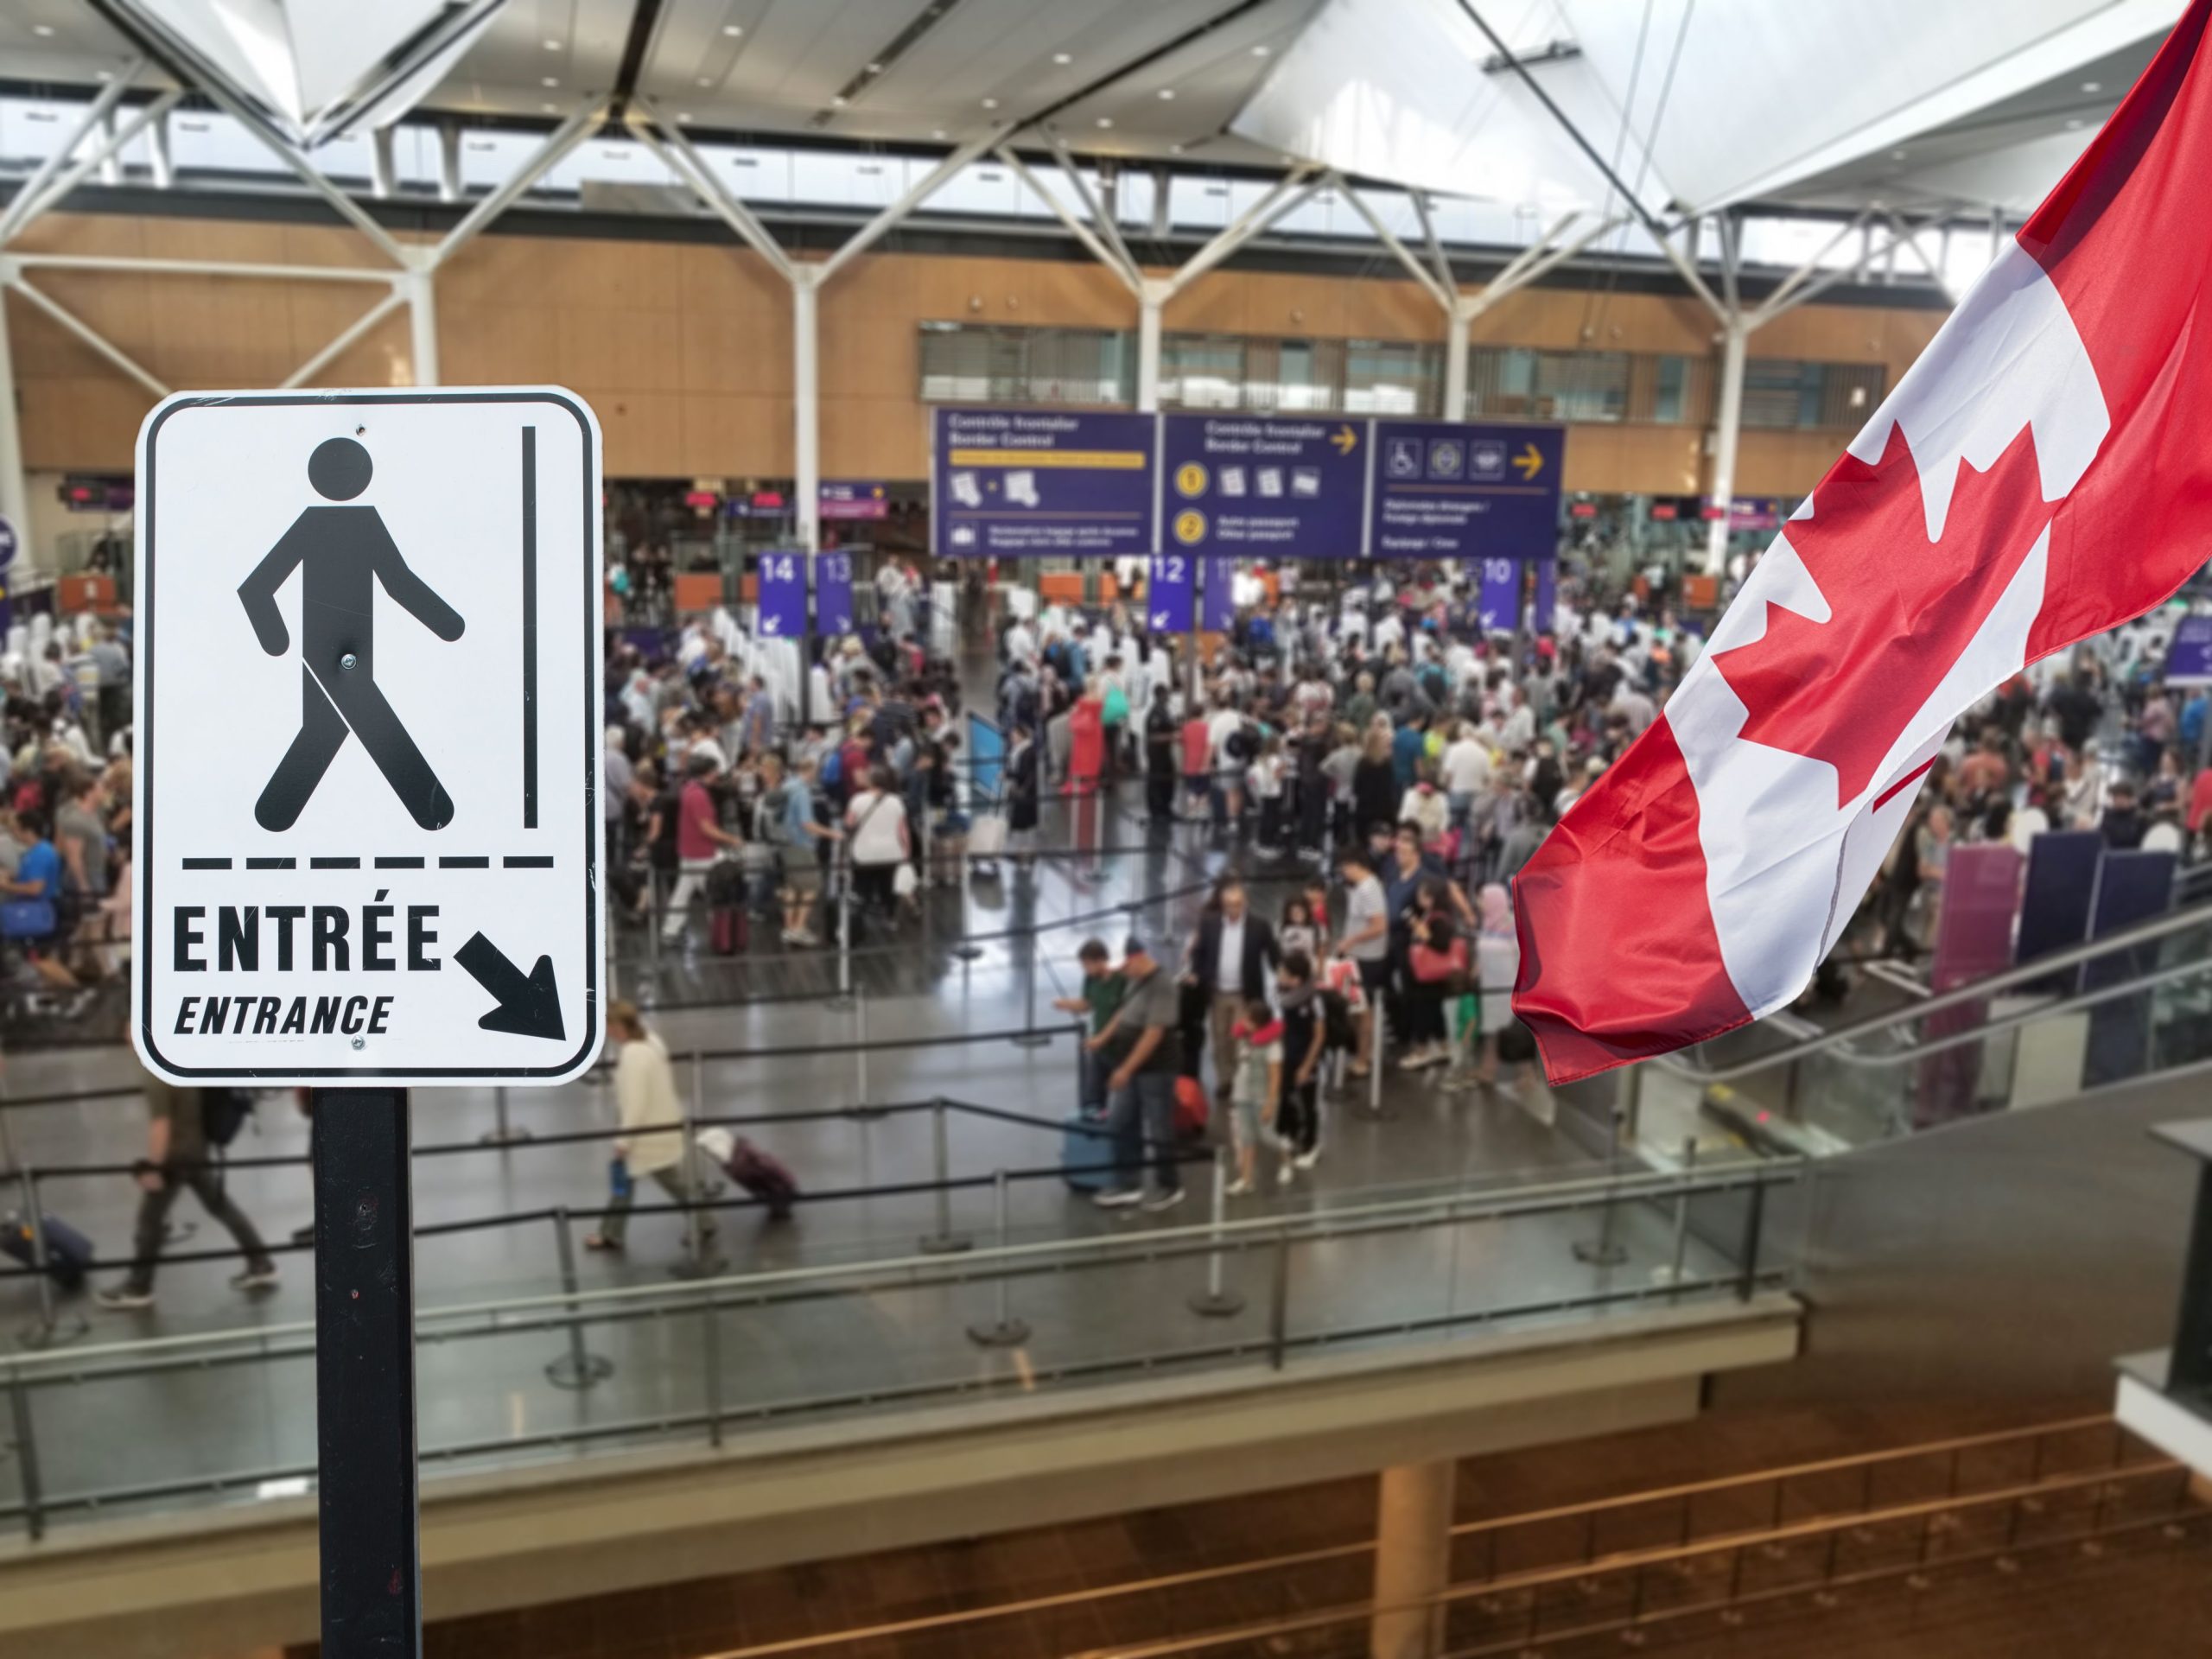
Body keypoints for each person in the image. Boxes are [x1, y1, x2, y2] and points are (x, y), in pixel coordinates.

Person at [95, 1066, 277, 1311]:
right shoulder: (179, 1065)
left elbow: (161, 1124)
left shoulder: (157, 1073)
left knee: (150, 1220)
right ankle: (261, 1262)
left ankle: (139, 1287)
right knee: (222, 1207)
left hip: (175, 1157)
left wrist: (154, 1167)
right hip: (196, 1150)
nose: (126, 1036)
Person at [587, 1002, 717, 1255]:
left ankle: (703, 1222)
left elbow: (636, 1104)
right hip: (663, 1126)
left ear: (616, 1027)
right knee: (631, 1182)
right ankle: (611, 1232)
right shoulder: (652, 1041)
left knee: (658, 1182)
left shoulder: (633, 1055)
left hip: (646, 1135)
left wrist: (624, 1140)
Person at [1091, 936, 1185, 1213]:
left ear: (1137, 958)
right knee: (1121, 1121)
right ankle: (1127, 1181)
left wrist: (1125, 1070)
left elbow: (1153, 1035)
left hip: (1156, 1069)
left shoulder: (1163, 986)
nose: (1122, 972)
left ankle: (1169, 1184)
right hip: (1130, 1065)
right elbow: (1124, 1010)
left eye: (1125, 967)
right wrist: (1102, 1037)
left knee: (1159, 1126)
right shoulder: (1133, 978)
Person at [1185, 878, 1279, 1107]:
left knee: (1239, 1038)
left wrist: (1285, 976)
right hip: (1217, 991)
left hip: (1243, 993)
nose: (1233, 910)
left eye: (1237, 904)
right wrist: (1197, 973)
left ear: (1245, 903)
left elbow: (1274, 955)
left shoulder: (1259, 926)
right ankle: (1224, 1079)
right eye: (1228, 905)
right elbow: (1199, 952)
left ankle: (1240, 1081)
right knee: (1219, 1038)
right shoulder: (1210, 923)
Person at [661, 753, 742, 943]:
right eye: (714, 771)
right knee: (717, 890)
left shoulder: (688, 789)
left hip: (688, 850)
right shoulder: (699, 796)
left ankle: (670, 930)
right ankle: (721, 932)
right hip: (702, 852)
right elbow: (707, 828)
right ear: (707, 772)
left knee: (682, 891)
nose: (717, 775)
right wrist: (732, 839)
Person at [1333, 846, 1391, 1077]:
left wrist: (1351, 941)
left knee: (1363, 1011)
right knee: (1358, 1010)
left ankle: (1364, 1059)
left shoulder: (1368, 889)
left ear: (1352, 865)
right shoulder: (1365, 887)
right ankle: (1363, 1053)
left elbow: (1379, 925)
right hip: (1361, 956)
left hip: (1368, 959)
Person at [1052, 938, 1125, 1119]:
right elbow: (1086, 1004)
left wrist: (1102, 1038)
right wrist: (1066, 1004)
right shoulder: (1090, 980)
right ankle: (1096, 1121)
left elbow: (1123, 1014)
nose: (1085, 969)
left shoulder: (1121, 980)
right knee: (1092, 1095)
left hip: (1121, 1047)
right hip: (1099, 1046)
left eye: (1087, 964)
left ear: (1101, 960)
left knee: (1125, 1097)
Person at [1274, 950, 1328, 1174]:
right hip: (1287, 1055)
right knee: (1285, 1096)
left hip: (1305, 1058)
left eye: (1283, 972)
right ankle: (1290, 1132)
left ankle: (1311, 1145)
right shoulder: (1284, 995)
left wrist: (1307, 1066)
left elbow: (1319, 1035)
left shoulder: (1313, 1000)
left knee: (1308, 1104)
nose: (1279, 975)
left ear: (1296, 978)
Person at [1224, 995, 1283, 1196]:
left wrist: (1270, 1103)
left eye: (1247, 1018)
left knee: (1268, 1136)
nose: (1242, 1021)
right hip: (1242, 1095)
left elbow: (1275, 1076)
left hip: (1261, 1096)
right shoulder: (1244, 1039)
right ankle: (1246, 1179)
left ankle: (1286, 1157)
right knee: (1246, 1137)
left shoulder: (1272, 1046)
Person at [844, 764, 912, 919]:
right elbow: (903, 830)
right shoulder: (896, 801)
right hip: (891, 851)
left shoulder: (857, 800)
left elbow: (849, 824)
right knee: (888, 886)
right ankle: (890, 916)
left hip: (864, 852)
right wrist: (906, 852)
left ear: (870, 781)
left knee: (863, 886)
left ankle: (862, 917)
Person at [1144, 684, 1179, 823]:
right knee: (1157, 781)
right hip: (1156, 754)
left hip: (1165, 751)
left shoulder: (1165, 711)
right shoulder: (1155, 713)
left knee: (1168, 781)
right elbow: (1153, 736)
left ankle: (1166, 807)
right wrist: (1172, 737)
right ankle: (1157, 811)